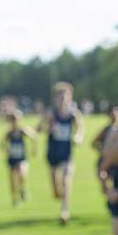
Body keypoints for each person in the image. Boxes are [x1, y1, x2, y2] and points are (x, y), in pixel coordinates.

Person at [36, 82, 84, 224]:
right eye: (60, 96)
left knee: (66, 179)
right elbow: (38, 129)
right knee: (56, 186)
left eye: (65, 95)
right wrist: (48, 129)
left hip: (66, 152)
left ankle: (64, 211)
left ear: (70, 97)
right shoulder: (51, 113)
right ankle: (56, 192)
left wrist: (78, 137)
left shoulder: (73, 114)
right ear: (55, 98)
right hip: (53, 151)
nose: (63, 98)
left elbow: (80, 128)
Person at [1, 110, 36, 205]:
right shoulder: (9, 133)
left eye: (15, 120)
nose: (14, 122)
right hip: (12, 158)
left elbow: (33, 137)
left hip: (21, 158)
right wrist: (6, 151)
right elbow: (2, 144)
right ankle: (15, 199)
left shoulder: (22, 131)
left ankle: (23, 189)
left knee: (21, 172)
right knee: (12, 179)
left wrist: (33, 149)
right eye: (12, 120)